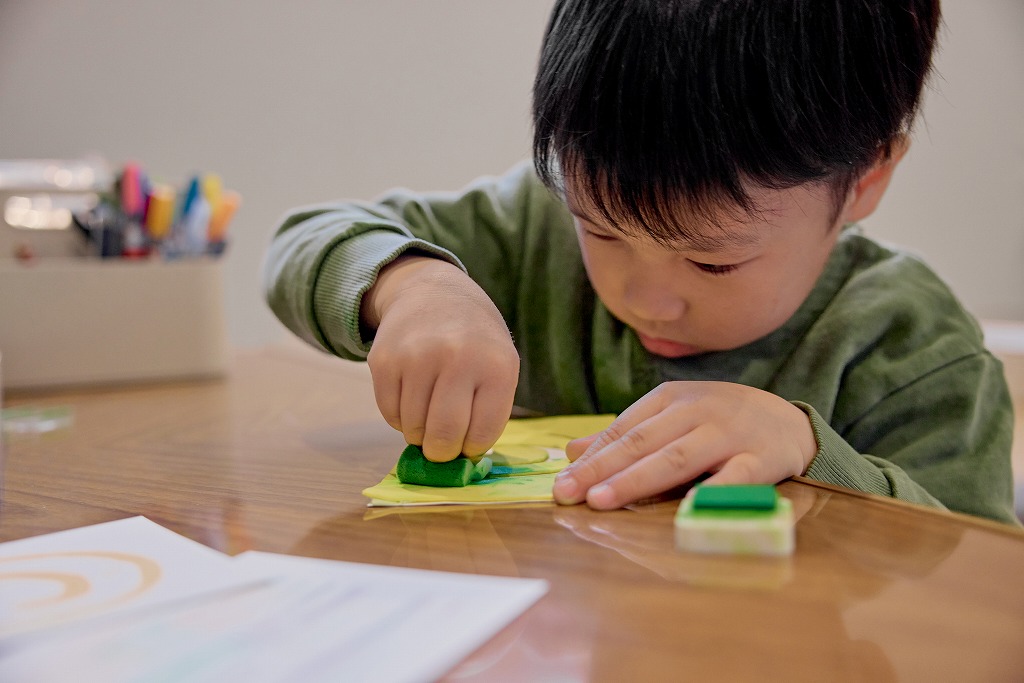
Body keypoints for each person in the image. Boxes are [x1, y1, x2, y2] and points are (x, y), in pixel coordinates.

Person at [263, 0, 1019, 524]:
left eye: (713, 263)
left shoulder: (913, 349)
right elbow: (304, 240)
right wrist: (412, 285)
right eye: (600, 231)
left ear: (867, 179)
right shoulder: (531, 229)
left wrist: (811, 453)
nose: (646, 298)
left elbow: (976, 574)